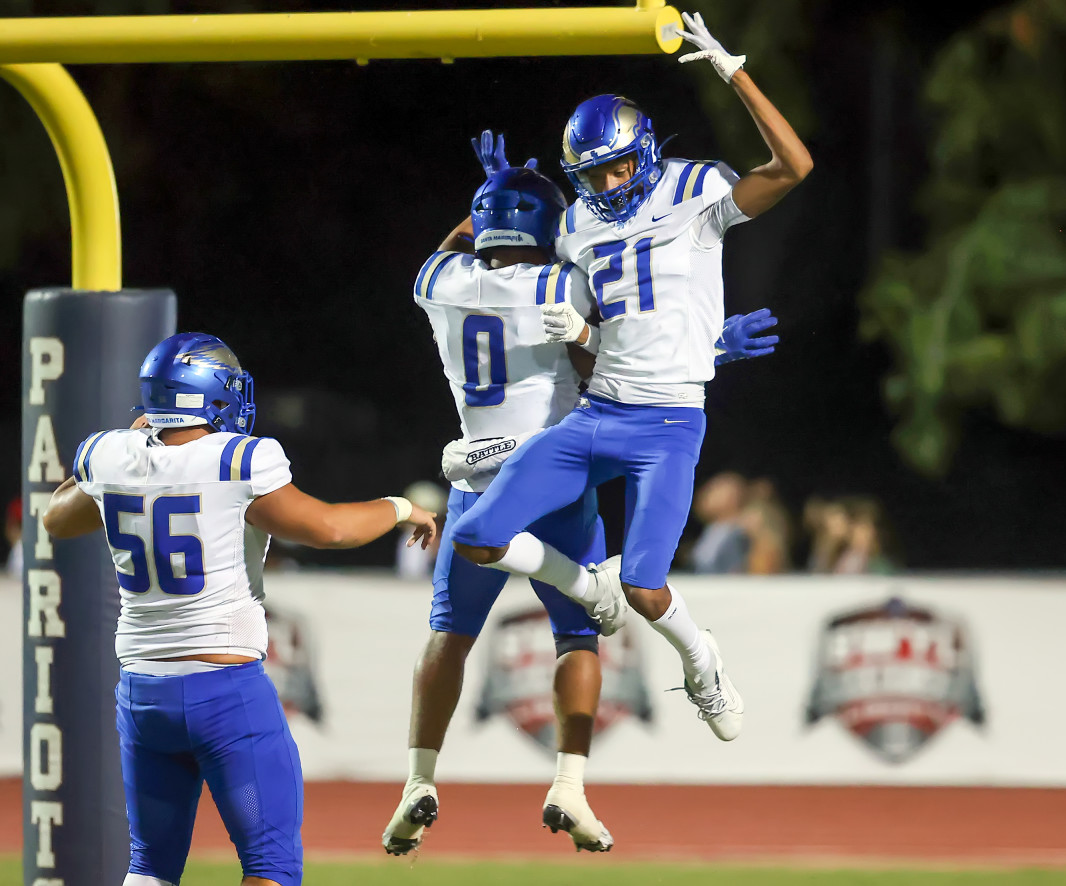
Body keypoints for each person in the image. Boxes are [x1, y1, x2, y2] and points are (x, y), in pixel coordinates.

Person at [383, 146, 780, 855]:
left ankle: (418, 780)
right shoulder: (559, 284)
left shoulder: (437, 281)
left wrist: (492, 192)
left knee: (449, 635)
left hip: (476, 474)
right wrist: (714, 350)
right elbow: (624, 356)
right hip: (551, 471)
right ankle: (570, 784)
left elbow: (457, 243)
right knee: (578, 636)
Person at [450, 11, 812, 743]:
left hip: (669, 423)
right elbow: (595, 332)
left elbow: (793, 168)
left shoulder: (695, 192)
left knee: (645, 588)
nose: (611, 183)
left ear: (644, 152)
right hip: (597, 412)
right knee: (478, 535)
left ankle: (702, 661)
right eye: (595, 174)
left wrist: (731, 70)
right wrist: (505, 201)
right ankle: (588, 586)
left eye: (619, 167)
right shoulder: (577, 226)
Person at [41, 332, 437, 886]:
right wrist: (400, 508)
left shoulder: (110, 455)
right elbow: (329, 529)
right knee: (270, 866)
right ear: (210, 394)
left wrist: (120, 462)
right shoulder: (239, 459)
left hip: (143, 694)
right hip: (222, 692)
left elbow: (57, 518)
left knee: (149, 866)